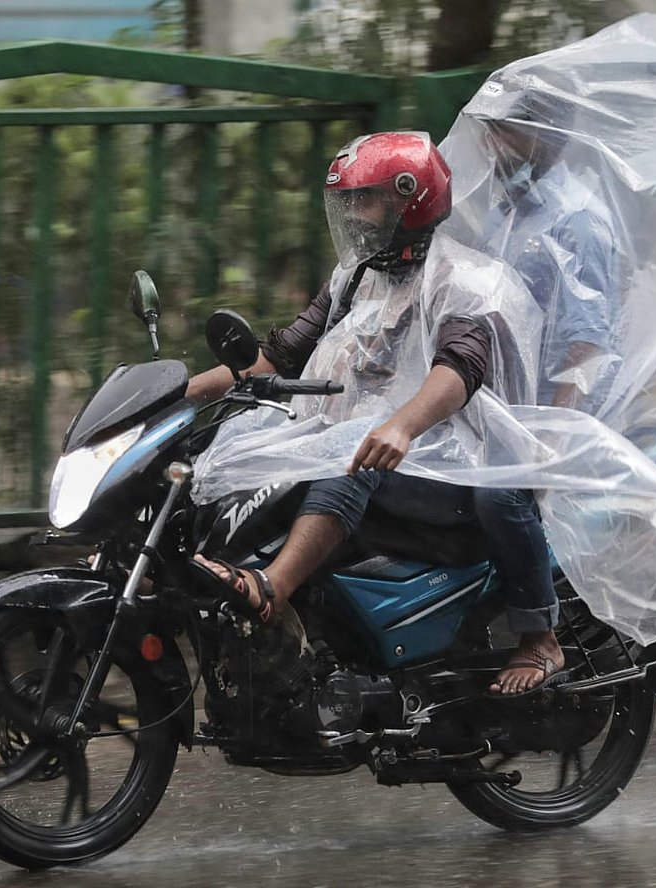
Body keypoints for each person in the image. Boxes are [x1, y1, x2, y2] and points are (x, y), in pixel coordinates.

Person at [184, 131, 502, 650]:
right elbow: (279, 356)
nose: (353, 214)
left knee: (353, 455)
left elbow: (459, 368)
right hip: (369, 443)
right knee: (233, 443)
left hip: (444, 461)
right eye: (347, 201)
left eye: (366, 199)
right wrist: (176, 394)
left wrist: (401, 426)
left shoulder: (460, 279)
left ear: (410, 201)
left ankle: (272, 588)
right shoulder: (357, 277)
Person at [448, 86, 620, 695]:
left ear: (548, 137)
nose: (494, 145)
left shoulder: (578, 220)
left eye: (508, 132)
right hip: (498, 403)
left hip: (552, 410)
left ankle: (540, 636)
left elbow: (586, 343)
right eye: (491, 132)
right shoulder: (509, 212)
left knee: (500, 493)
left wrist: (549, 437)